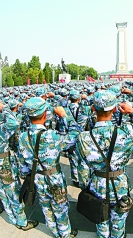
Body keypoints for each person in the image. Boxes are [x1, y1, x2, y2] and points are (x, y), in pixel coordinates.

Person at [75, 90, 133, 238]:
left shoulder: (83, 138)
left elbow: (82, 168)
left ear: (93, 109)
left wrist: (85, 187)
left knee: (100, 221)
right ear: (114, 109)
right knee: (119, 223)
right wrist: (132, 111)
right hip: (119, 185)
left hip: (97, 185)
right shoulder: (127, 132)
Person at [18, 97, 79, 237]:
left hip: (37, 178)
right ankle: (65, 234)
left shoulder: (22, 137)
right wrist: (65, 115)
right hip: (54, 178)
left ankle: (54, 232)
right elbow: (76, 135)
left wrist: (27, 175)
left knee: (46, 207)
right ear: (45, 114)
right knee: (60, 207)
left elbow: (22, 164)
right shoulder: (52, 135)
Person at [0, 93, 38, 230]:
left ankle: (12, 217)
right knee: (14, 193)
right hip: (4, 164)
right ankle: (22, 222)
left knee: (2, 193)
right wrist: (4, 109)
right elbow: (14, 123)